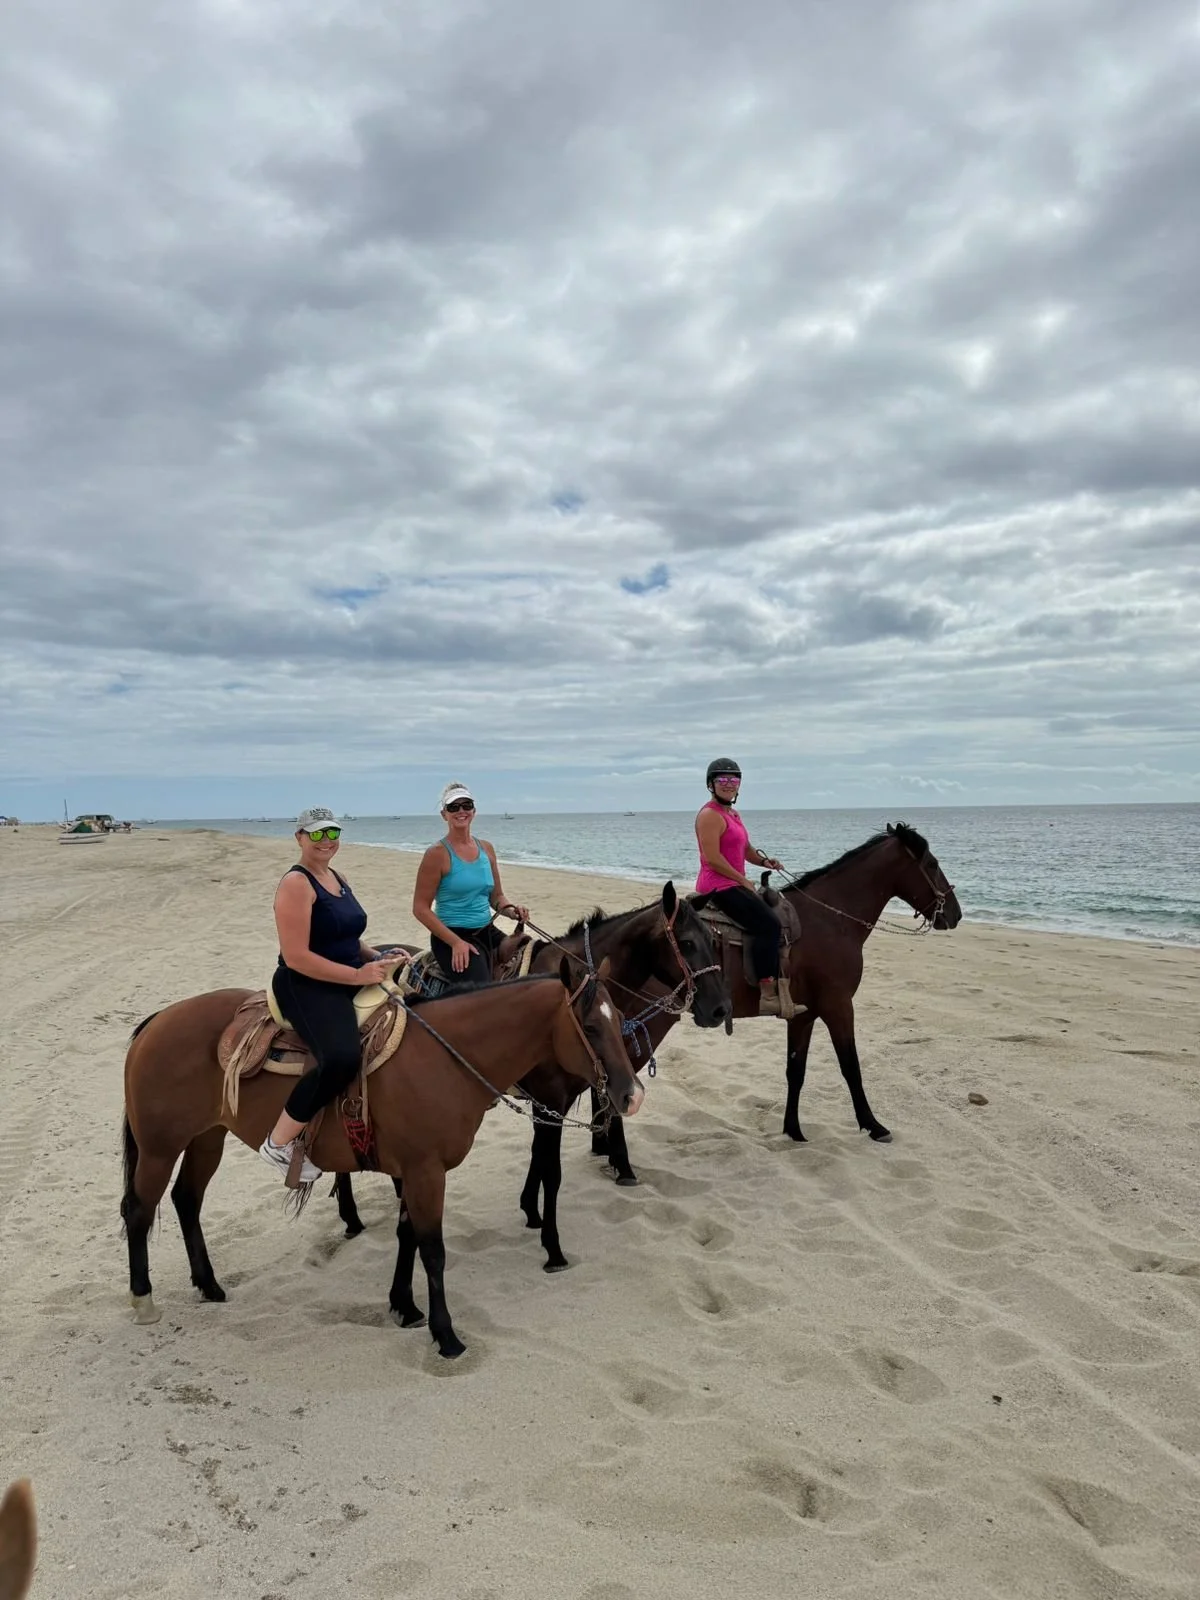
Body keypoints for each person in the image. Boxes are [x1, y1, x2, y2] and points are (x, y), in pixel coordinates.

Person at [258, 807, 408, 1185]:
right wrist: (358, 974)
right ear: (299, 838)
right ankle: (279, 1142)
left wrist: (377, 957)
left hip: (347, 973)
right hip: (305, 984)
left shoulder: (336, 876)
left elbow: (345, 936)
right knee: (341, 1057)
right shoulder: (296, 883)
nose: (327, 841)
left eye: (332, 833)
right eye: (317, 834)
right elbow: (297, 956)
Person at [412, 782, 530, 987]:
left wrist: (513, 912)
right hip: (451, 935)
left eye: (466, 805)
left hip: (487, 931)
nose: (461, 811)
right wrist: (456, 942)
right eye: (454, 807)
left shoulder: (486, 849)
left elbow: (496, 897)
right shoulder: (437, 854)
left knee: (532, 957)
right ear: (444, 814)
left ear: (474, 811)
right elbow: (420, 909)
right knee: (483, 995)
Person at [694, 758, 785, 1003]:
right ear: (711, 784)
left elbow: (745, 849)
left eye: (733, 780)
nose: (728, 784)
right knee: (769, 925)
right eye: (722, 779)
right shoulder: (709, 816)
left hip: (732, 883)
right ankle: (767, 991)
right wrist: (742, 880)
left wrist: (765, 862)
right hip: (718, 886)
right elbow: (712, 858)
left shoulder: (732, 813)